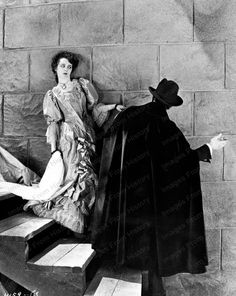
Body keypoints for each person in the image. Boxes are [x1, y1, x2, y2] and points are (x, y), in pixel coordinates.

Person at [91, 78, 227, 295]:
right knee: (151, 254)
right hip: (150, 206)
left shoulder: (128, 115)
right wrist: (211, 147)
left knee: (131, 251)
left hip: (126, 203)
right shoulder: (166, 126)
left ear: (153, 96)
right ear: (170, 105)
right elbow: (184, 160)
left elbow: (107, 144)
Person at [24, 50, 124, 234]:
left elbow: (94, 110)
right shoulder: (52, 95)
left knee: (87, 177)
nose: (66, 69)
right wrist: (55, 150)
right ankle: (73, 222)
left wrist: (114, 107)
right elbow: (53, 124)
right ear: (55, 68)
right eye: (62, 66)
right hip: (68, 140)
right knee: (73, 177)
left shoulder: (81, 85)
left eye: (69, 67)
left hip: (87, 136)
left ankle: (86, 223)